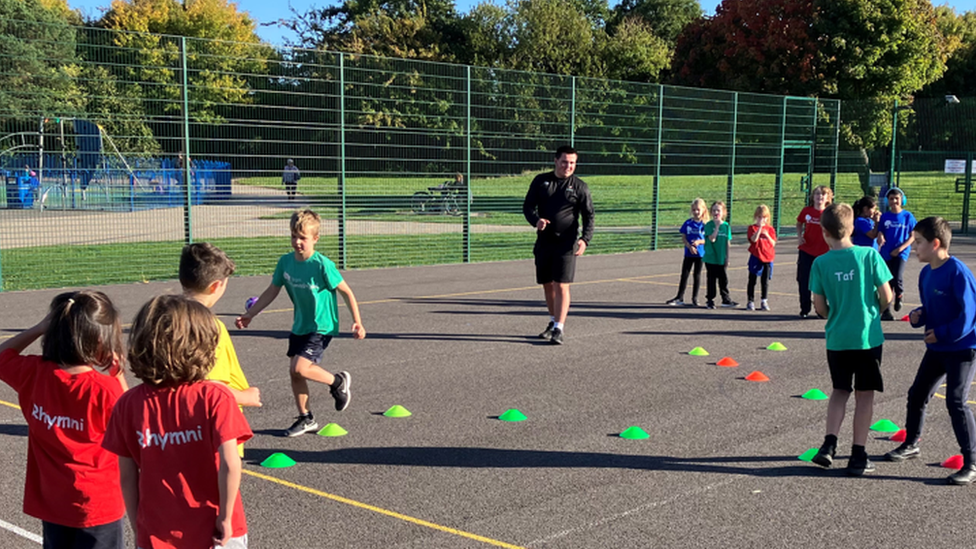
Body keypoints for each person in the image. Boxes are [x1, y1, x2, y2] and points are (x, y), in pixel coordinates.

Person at [103, 295, 252, 548]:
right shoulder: (215, 397)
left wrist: (138, 523)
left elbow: (127, 476)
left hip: (158, 532)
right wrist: (225, 517)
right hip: (217, 530)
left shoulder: (128, 404)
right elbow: (230, 463)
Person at [0, 291, 128, 548]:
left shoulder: (34, 373)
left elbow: (3, 355)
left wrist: (38, 328)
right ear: (101, 342)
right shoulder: (105, 389)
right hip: (98, 507)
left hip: (52, 502)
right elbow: (132, 419)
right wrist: (118, 375)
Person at [236, 209, 366, 437]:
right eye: (294, 236)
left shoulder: (322, 265)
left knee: (300, 367)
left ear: (315, 239)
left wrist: (357, 321)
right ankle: (306, 418)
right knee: (295, 373)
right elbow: (272, 290)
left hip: (321, 326)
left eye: (303, 238)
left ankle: (337, 382)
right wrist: (251, 314)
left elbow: (346, 291)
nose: (297, 242)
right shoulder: (285, 263)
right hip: (300, 326)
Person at [883, 217, 976, 485]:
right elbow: (932, 308)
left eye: (919, 242)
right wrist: (920, 316)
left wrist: (944, 332)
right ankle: (911, 443)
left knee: (956, 401)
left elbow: (969, 315)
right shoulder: (926, 273)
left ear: (936, 244)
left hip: (962, 348)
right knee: (917, 394)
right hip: (937, 347)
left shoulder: (957, 272)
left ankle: (971, 463)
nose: (914, 247)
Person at [809, 203, 893, 476]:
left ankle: (829, 444)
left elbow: (820, 307)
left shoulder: (820, 263)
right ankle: (858, 453)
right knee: (865, 395)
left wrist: (835, 314)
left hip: (837, 338)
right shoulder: (868, 255)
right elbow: (887, 295)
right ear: (853, 227)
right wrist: (874, 311)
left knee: (839, 390)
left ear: (824, 232)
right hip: (867, 337)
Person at [180, 242, 262, 456]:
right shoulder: (210, 328)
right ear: (216, 286)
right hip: (214, 428)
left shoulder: (169, 320)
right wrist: (247, 397)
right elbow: (209, 388)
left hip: (179, 428)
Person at [522, 145, 595, 345]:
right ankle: (553, 321)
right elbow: (528, 206)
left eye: (572, 163)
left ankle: (559, 328)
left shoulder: (580, 186)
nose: (568, 166)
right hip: (545, 242)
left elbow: (589, 216)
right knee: (547, 284)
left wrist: (585, 239)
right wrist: (536, 220)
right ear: (555, 161)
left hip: (566, 243)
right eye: (564, 162)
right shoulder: (540, 181)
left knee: (561, 284)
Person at [878, 187, 916, 320]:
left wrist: (901, 249)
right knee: (886, 281)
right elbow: (880, 230)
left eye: (897, 198)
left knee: (897, 277)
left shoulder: (908, 216)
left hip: (901, 253)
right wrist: (880, 236)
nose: (894, 201)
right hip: (886, 252)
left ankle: (899, 295)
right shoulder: (885, 216)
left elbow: (912, 236)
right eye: (891, 199)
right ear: (887, 201)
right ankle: (886, 310)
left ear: (902, 200)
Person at [796, 185, 833, 318]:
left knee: (823, 281)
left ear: (828, 198)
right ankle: (805, 308)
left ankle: (821, 309)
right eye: (817, 194)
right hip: (807, 250)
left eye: (823, 195)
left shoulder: (829, 213)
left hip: (824, 252)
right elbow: (799, 223)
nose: (820, 197)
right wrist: (800, 236)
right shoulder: (807, 211)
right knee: (803, 279)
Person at [667, 198, 709, 307]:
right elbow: (684, 237)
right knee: (684, 275)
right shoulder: (688, 223)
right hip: (688, 253)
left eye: (698, 210)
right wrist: (689, 246)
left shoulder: (705, 225)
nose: (696, 212)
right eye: (694, 210)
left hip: (700, 254)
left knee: (697, 275)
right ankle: (679, 297)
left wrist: (699, 242)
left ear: (703, 210)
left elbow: (708, 239)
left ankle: (695, 298)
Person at [703, 201, 737, 309]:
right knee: (711, 279)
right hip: (711, 257)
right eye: (714, 210)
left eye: (718, 210)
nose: (716, 212)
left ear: (723, 212)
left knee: (723, 279)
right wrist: (717, 227)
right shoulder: (709, 225)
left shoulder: (726, 226)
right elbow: (712, 239)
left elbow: (727, 242)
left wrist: (727, 257)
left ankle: (725, 299)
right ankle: (710, 300)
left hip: (721, 257)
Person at [745, 204, 777, 311]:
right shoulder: (752, 228)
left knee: (765, 280)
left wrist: (767, 234)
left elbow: (773, 243)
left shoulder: (770, 229)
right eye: (759, 217)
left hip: (767, 257)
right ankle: (750, 301)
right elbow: (753, 240)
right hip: (756, 255)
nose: (762, 220)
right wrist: (759, 230)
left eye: (764, 217)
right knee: (752, 279)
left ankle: (764, 300)